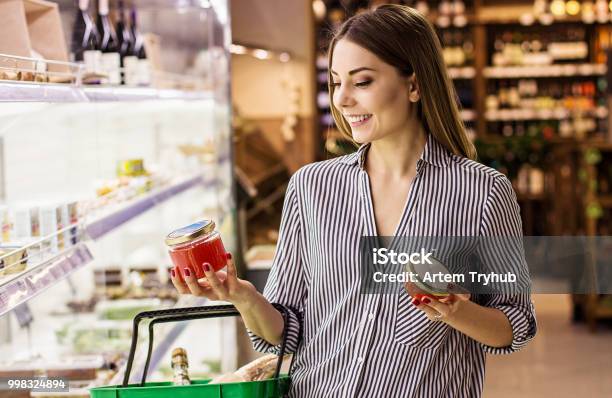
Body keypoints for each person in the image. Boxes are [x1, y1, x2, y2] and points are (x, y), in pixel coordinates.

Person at [171, 5, 537, 397]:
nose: (343, 99)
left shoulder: (482, 191)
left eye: (361, 82)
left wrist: (455, 310)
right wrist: (244, 298)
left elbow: (513, 325)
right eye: (335, 82)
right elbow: (285, 332)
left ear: (414, 86)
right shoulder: (312, 187)